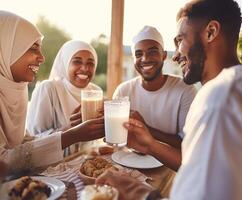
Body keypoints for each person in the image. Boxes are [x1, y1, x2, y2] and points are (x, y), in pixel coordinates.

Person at [96, 0, 242, 199]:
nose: (176, 55)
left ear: (211, 32)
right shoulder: (233, 88)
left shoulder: (220, 97)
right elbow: (196, 165)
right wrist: (149, 145)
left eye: (180, 40)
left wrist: (136, 191)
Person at [0, 10, 104, 174]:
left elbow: (24, 144)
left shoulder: (15, 91)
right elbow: (3, 161)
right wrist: (72, 133)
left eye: (91, 63)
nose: (42, 58)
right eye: (33, 48)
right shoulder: (48, 89)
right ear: (5, 47)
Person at [113, 25, 196, 170]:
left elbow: (187, 144)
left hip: (170, 168)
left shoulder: (185, 90)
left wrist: (145, 128)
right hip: (127, 164)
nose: (145, 59)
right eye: (138, 54)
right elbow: (114, 137)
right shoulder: (123, 91)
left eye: (152, 52)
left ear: (164, 55)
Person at [27, 40, 101, 139]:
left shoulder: (95, 91)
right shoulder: (48, 89)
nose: (85, 68)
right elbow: (34, 139)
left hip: (89, 154)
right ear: (65, 63)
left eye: (90, 63)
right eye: (77, 61)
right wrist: (73, 130)